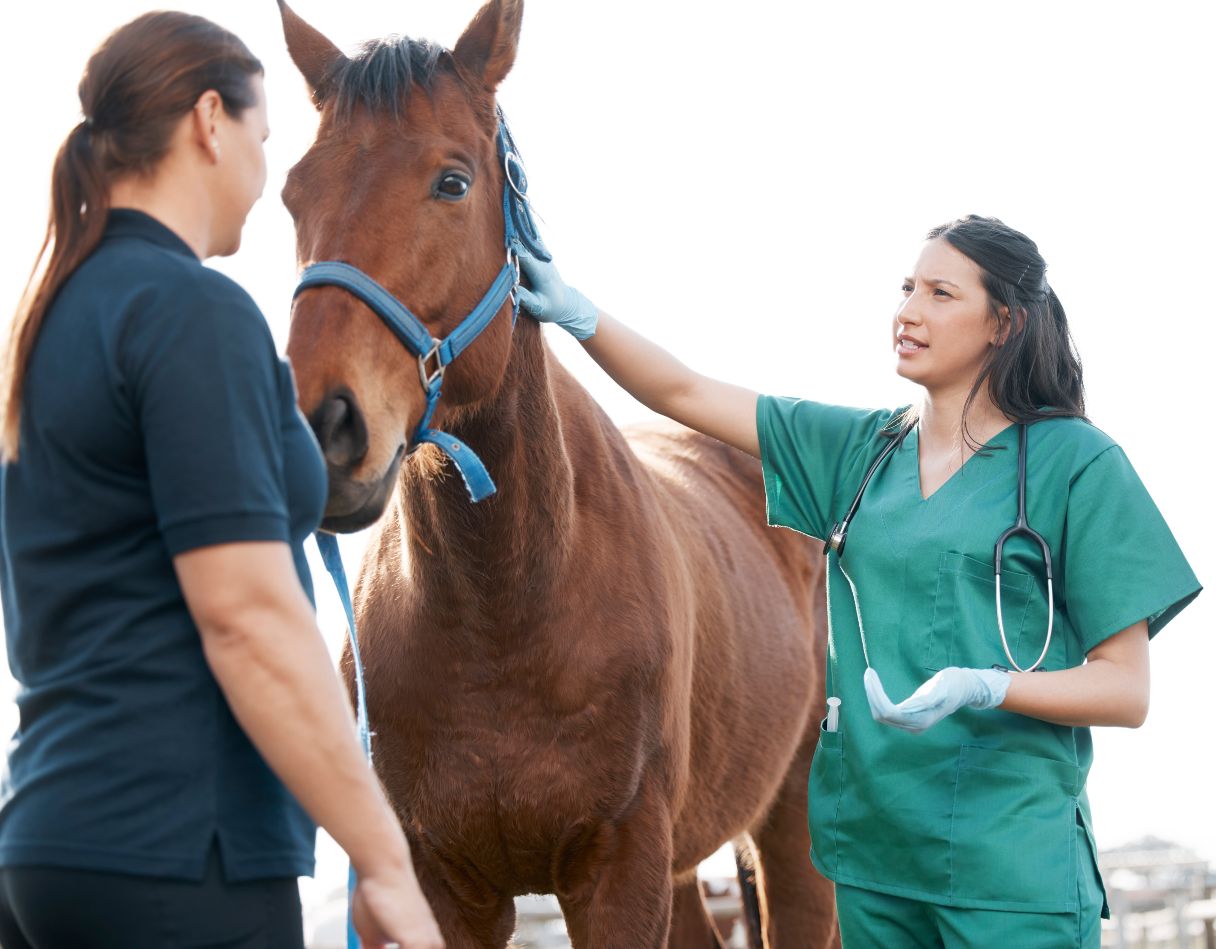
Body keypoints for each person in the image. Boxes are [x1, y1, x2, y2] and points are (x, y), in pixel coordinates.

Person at [516, 215, 1201, 947]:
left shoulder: (1079, 466)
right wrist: (577, 313)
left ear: (1004, 323)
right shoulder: (857, 453)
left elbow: (1126, 690)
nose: (907, 311)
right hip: (874, 866)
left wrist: (987, 685)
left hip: (1012, 875)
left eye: (941, 293)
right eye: (907, 288)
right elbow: (684, 392)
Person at [0, 12, 442, 948]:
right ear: (210, 120)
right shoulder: (193, 313)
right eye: (263, 137)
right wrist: (385, 857)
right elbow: (246, 616)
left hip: (49, 843)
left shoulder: (53, 322)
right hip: (180, 853)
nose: (266, 175)